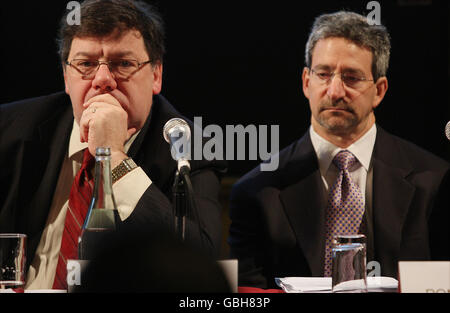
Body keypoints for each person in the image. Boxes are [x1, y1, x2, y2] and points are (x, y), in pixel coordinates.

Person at [0, 0, 226, 290]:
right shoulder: (10, 130)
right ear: (66, 76)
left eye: (123, 64)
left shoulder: (188, 146)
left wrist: (115, 158)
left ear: (156, 75)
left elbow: (198, 266)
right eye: (86, 64)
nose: (103, 80)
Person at [228, 11, 450, 289]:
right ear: (306, 82)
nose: (334, 91)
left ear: (379, 90)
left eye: (352, 78)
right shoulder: (257, 191)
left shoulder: (435, 181)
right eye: (323, 74)